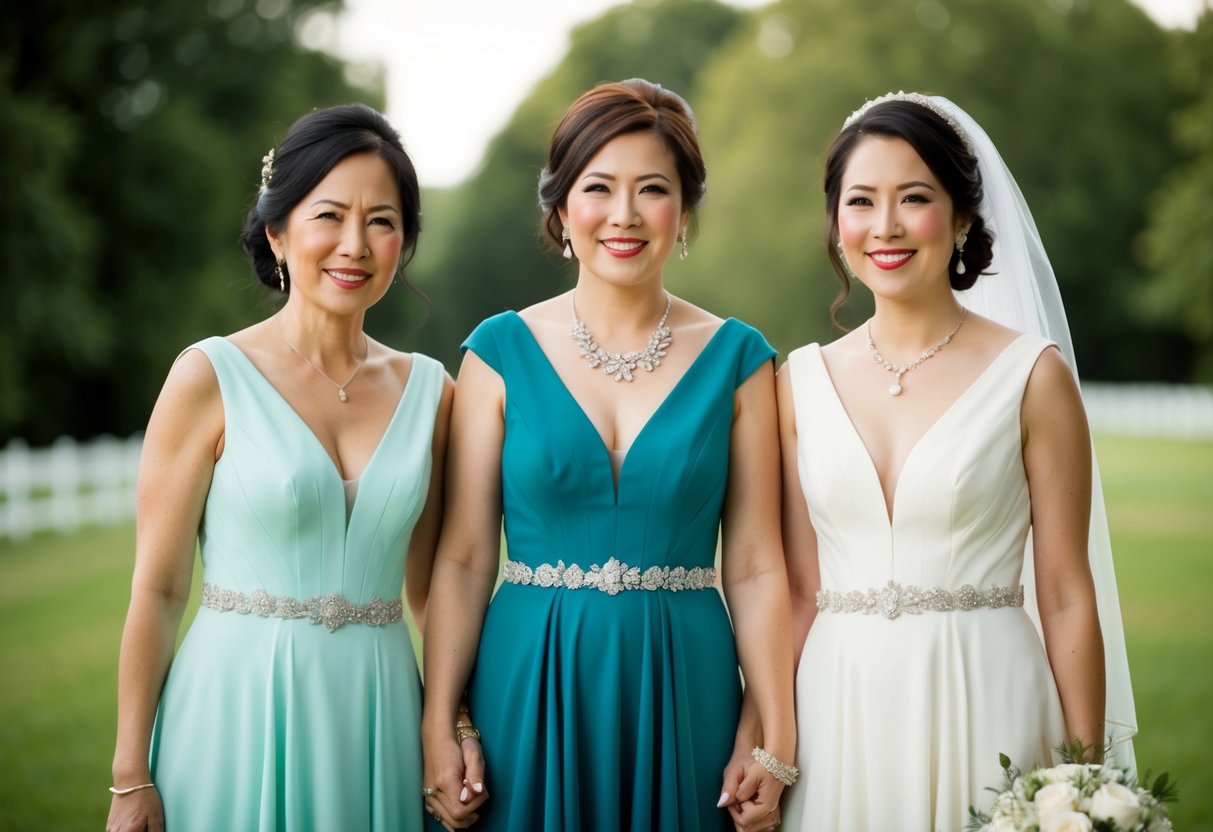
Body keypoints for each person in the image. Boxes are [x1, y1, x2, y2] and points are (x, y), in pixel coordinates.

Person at [420, 78, 797, 832]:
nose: (623, 215)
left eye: (651, 189)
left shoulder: (741, 360)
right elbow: (462, 560)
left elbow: (756, 564)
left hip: (686, 684)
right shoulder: (497, 352)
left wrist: (774, 734)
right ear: (560, 207)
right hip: (529, 677)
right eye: (598, 187)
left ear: (683, 211)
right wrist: (443, 723)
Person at [777, 92, 1137, 831]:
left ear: (963, 217)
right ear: (836, 222)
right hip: (835, 706)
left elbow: (1067, 590)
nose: (884, 226)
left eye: (914, 198)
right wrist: (768, 742)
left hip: (987, 694)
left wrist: (1082, 772)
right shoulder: (796, 381)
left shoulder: (1031, 375)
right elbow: (792, 589)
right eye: (860, 201)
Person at [105, 103, 454, 831]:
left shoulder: (433, 394)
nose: (354, 245)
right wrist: (129, 775)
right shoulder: (209, 375)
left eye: (382, 221)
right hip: (236, 706)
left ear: (404, 242)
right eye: (329, 215)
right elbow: (161, 587)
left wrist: (454, 727)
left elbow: (435, 592)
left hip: (379, 709)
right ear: (278, 231)